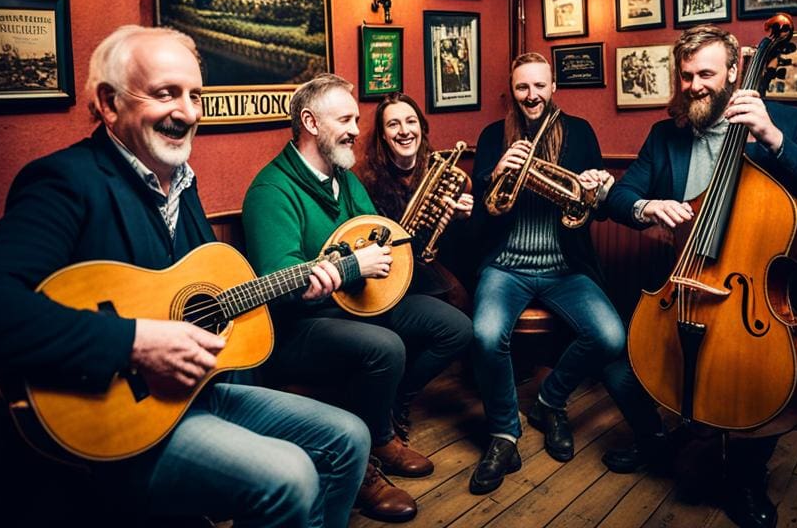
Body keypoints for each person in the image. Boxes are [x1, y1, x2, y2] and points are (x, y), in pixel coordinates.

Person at [0, 25, 370, 528]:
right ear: (108, 103)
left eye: (194, 95)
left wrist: (299, 283)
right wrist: (134, 341)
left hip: (190, 396)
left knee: (349, 437)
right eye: (165, 93)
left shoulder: (183, 187)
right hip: (109, 417)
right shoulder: (67, 182)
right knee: (289, 475)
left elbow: (199, 298)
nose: (187, 111)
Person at [604, 24, 797, 528]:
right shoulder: (666, 134)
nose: (695, 85)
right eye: (686, 75)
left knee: (757, 384)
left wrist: (774, 138)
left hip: (755, 301)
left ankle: (746, 478)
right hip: (686, 285)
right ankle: (663, 439)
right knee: (630, 359)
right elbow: (619, 197)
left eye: (706, 73)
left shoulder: (785, 121)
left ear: (733, 72)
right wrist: (646, 205)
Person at [242, 74, 472, 523]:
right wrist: (352, 266)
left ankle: (382, 425)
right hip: (299, 327)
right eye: (345, 119)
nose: (354, 128)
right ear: (310, 122)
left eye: (355, 118)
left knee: (456, 328)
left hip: (358, 304)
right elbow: (280, 280)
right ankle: (362, 462)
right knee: (383, 347)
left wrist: (436, 217)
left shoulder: (343, 177)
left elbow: (378, 236)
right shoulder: (271, 190)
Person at [468, 52, 623, 495]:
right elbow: (485, 209)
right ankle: (503, 433)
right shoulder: (493, 134)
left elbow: (596, 207)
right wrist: (498, 171)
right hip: (507, 266)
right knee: (484, 335)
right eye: (522, 88)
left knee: (611, 336)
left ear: (553, 87)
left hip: (564, 267)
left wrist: (594, 190)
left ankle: (549, 402)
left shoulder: (579, 132)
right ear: (512, 92)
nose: (531, 95)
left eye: (539, 86)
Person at [360, 91, 474, 309]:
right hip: (396, 274)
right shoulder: (369, 183)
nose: (404, 131)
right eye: (393, 124)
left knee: (460, 298)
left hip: (441, 265)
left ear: (421, 127)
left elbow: (463, 248)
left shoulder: (445, 174)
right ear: (383, 135)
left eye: (411, 122)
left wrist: (459, 219)